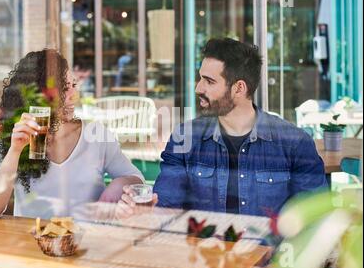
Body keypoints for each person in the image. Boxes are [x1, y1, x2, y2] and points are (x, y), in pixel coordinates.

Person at [118, 38, 328, 217]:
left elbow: (315, 221)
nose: (198, 88)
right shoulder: (185, 138)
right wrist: (145, 211)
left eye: (209, 81)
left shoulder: (295, 143)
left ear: (239, 88)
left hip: (271, 263)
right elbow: (165, 205)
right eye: (200, 78)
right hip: (202, 261)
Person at [0, 49, 144, 219]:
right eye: (64, 88)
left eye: (73, 85)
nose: (73, 95)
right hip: (31, 241)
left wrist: (118, 186)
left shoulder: (96, 136)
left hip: (87, 241)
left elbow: (137, 179)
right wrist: (15, 151)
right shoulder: (11, 141)